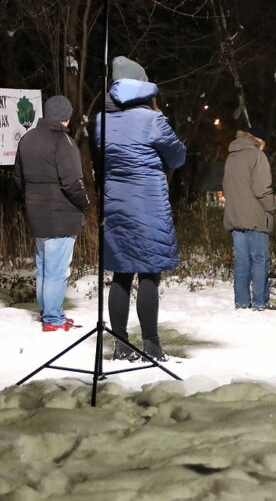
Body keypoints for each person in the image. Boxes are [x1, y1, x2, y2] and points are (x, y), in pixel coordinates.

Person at [94, 56, 186, 361]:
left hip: (115, 206)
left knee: (121, 275)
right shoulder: (152, 120)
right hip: (149, 206)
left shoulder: (100, 121)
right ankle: (151, 343)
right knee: (149, 274)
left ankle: (120, 343)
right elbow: (177, 158)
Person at [14, 94, 89, 332]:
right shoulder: (63, 142)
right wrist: (84, 203)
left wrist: (31, 201)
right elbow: (72, 183)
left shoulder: (27, 139)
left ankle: (48, 313)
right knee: (57, 271)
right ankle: (53, 319)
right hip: (61, 217)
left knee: (44, 268)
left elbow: (18, 178)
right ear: (66, 117)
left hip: (37, 215)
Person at [222, 123, 276, 311]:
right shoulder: (257, 156)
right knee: (260, 260)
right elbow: (262, 189)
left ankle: (241, 302)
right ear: (258, 140)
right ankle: (260, 302)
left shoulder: (232, 156)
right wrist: (271, 207)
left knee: (242, 262)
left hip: (235, 216)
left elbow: (226, 186)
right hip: (255, 216)